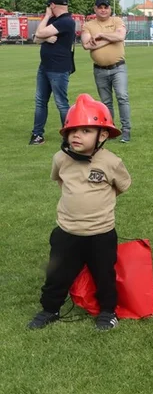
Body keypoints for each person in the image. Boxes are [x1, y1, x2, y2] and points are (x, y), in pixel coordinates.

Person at [27, 94, 131, 332]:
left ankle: (108, 312)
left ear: (102, 135)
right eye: (72, 130)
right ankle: (50, 309)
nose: (76, 135)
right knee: (56, 274)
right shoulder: (61, 158)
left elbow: (122, 186)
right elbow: (61, 182)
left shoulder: (111, 162)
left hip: (101, 233)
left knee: (104, 275)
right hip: (67, 232)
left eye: (85, 130)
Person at [81, 0, 132, 143]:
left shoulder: (116, 21)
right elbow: (86, 45)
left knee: (122, 97)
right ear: (95, 9)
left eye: (106, 7)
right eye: (100, 7)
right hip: (100, 70)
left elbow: (120, 35)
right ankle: (110, 129)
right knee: (106, 102)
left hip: (118, 67)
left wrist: (102, 35)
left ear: (110, 9)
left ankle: (126, 130)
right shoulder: (88, 25)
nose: (103, 10)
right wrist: (112, 38)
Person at [30, 0, 77, 146]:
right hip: (44, 66)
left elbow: (38, 33)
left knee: (61, 103)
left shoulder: (66, 21)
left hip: (58, 68)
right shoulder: (53, 20)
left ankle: (69, 135)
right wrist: (45, 38)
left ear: (52, 5)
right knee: (40, 101)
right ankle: (37, 134)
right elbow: (36, 38)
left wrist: (43, 29)